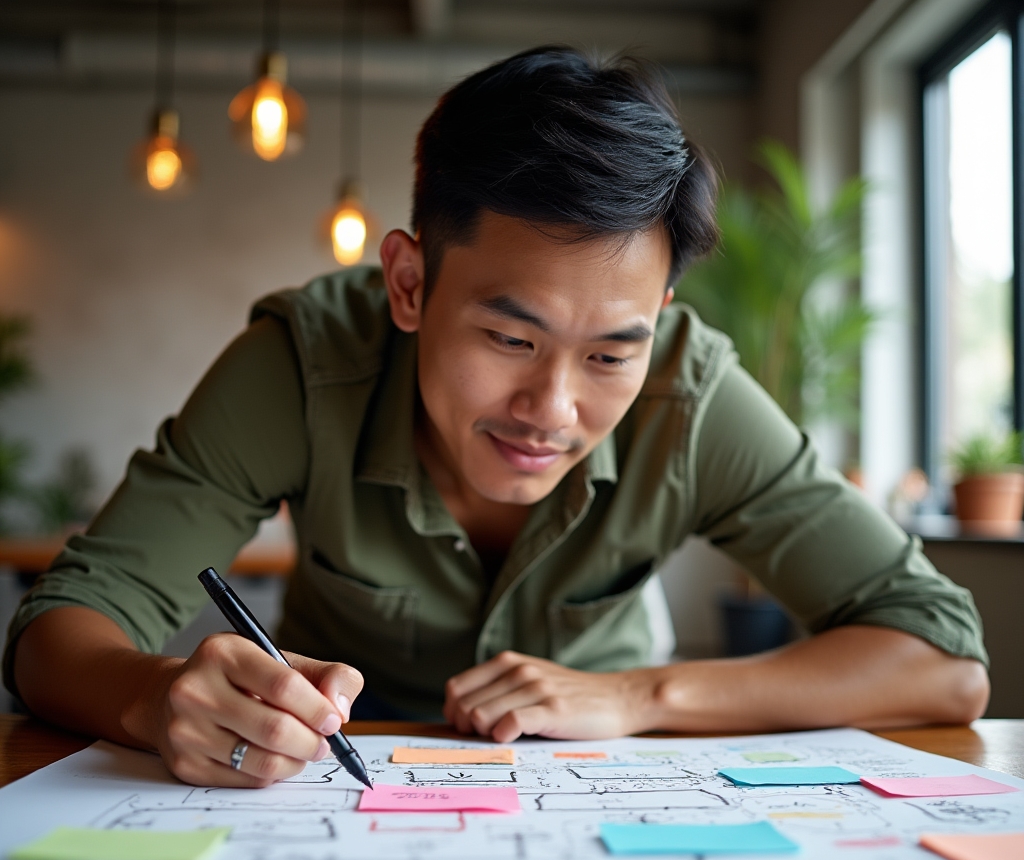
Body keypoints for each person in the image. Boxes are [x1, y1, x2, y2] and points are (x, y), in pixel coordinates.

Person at [4, 48, 988, 788]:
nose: (552, 412)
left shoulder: (692, 391)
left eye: (611, 351)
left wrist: (640, 695)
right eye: (510, 339)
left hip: (600, 762)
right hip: (330, 769)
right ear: (408, 282)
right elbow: (59, 628)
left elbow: (942, 661)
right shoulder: (303, 365)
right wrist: (149, 694)